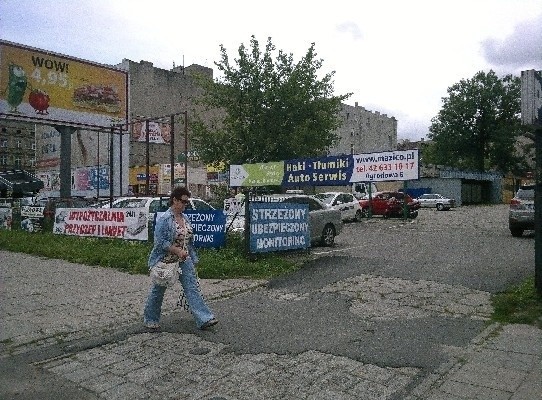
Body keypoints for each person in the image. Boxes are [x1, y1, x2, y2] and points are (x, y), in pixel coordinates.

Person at [143, 186, 218, 330]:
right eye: (183, 202)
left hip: (184, 259)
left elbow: (188, 240)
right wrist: (176, 250)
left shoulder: (185, 218)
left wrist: (191, 257)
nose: (185, 205)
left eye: (186, 202)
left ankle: (204, 319)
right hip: (166, 260)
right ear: (174, 200)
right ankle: (150, 318)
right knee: (158, 290)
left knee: (192, 287)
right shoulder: (165, 219)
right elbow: (159, 242)